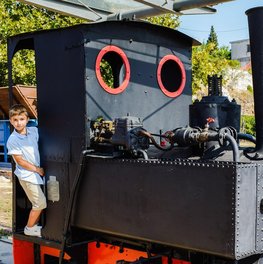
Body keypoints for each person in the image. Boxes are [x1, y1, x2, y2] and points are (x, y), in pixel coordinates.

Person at [7, 104, 46, 237]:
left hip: (35, 174)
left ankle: (33, 226)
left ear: (27, 119)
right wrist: (38, 170)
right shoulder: (12, 140)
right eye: (15, 120)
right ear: (11, 121)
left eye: (21, 119)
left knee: (41, 202)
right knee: (40, 202)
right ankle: (29, 228)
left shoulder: (33, 131)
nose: (18, 123)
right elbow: (20, 161)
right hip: (27, 175)